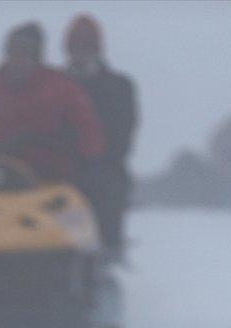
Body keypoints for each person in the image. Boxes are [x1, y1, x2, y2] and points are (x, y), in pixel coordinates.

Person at [0, 23, 105, 182]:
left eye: (24, 54)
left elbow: (89, 136)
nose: (17, 60)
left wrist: (81, 157)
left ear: (37, 58)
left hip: (48, 180)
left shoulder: (63, 91)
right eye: (12, 53)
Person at [64, 14, 138, 254]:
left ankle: (100, 254)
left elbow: (122, 136)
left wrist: (93, 159)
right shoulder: (55, 84)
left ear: (97, 49)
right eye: (75, 47)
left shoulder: (118, 86)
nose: (80, 53)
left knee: (101, 189)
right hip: (55, 163)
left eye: (86, 47)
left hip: (101, 167)